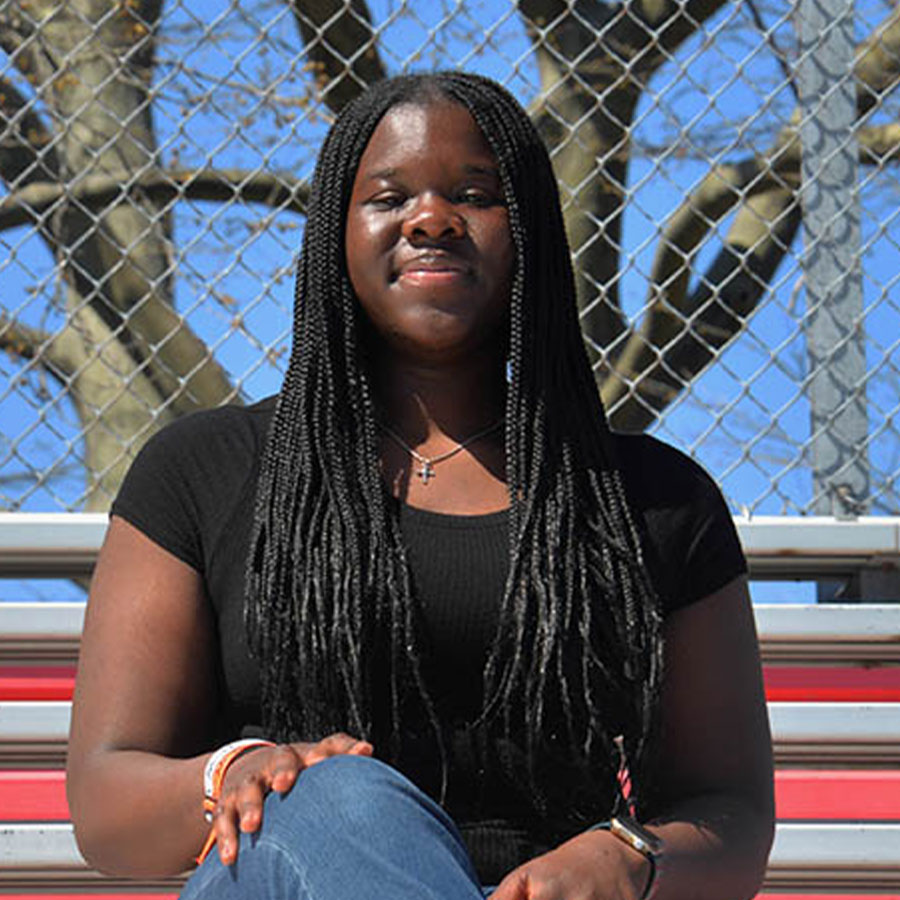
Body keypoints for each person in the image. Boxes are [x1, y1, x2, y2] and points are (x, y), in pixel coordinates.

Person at [66, 72, 774, 900]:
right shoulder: (206, 472)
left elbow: (731, 811)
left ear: (531, 235)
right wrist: (237, 772)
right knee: (337, 796)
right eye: (389, 196)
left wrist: (627, 857)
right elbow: (107, 808)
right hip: (275, 878)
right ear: (337, 231)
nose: (431, 219)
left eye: (474, 194)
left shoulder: (651, 501)